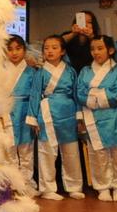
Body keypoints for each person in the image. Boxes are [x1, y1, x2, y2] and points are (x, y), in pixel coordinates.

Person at [76, 35, 117, 202]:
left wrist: (93, 95)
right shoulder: (85, 71)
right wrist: (98, 96)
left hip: (115, 116)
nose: (95, 52)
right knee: (98, 154)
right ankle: (102, 186)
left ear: (111, 50)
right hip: (92, 117)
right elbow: (79, 92)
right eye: (93, 49)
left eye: (100, 48)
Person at [33, 35, 83, 199]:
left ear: (62, 51)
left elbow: (76, 93)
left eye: (54, 47)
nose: (50, 51)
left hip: (68, 112)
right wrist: (33, 118)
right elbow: (34, 96)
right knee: (47, 151)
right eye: (46, 48)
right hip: (47, 112)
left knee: (71, 151)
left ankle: (74, 186)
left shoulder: (70, 71)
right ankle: (48, 188)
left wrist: (79, 115)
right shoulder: (40, 72)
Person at [5, 36, 40, 185]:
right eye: (10, 49)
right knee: (9, 148)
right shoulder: (1, 70)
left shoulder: (32, 71)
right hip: (6, 111)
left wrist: (33, 117)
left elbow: (36, 95)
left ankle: (26, 181)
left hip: (25, 111)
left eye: (18, 49)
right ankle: (12, 182)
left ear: (24, 50)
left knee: (26, 148)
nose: (14, 53)